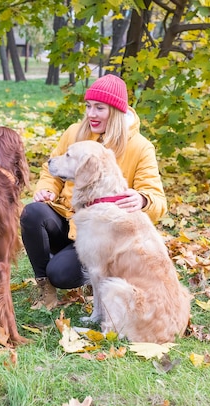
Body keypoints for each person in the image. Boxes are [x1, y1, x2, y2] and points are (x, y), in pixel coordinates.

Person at [20, 74, 168, 309]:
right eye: (88, 106)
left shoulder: (140, 147)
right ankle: (45, 288)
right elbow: (52, 170)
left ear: (116, 112)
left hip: (99, 236)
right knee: (33, 213)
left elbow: (158, 199)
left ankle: (94, 277)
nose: (91, 114)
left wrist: (143, 199)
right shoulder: (74, 132)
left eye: (99, 108)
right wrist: (46, 189)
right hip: (67, 217)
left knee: (61, 274)